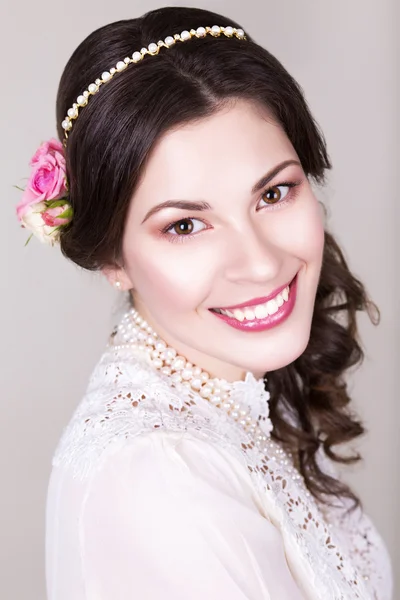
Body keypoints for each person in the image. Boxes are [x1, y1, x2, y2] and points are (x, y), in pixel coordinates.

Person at [15, 6, 393, 600]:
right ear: (112, 259)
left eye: (274, 192)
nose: (262, 263)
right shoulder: (157, 477)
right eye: (186, 226)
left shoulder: (239, 391)